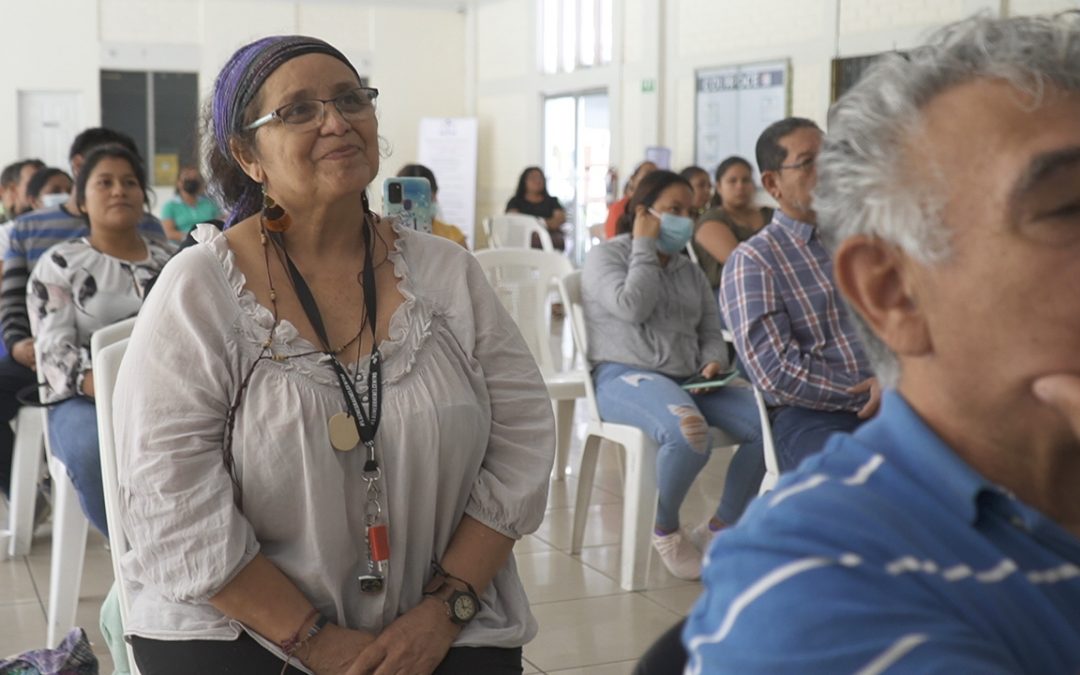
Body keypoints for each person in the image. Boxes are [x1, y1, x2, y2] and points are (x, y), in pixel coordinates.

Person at [114, 35, 555, 675]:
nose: (336, 120)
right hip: (236, 626)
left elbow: (523, 439)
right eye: (298, 110)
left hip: (443, 614)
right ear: (246, 154)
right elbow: (170, 501)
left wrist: (446, 608)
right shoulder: (201, 290)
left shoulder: (447, 274)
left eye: (352, 99)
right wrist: (316, 641)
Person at [685, 13, 1080, 673]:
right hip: (822, 408)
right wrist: (857, 389)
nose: (823, 175)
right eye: (1066, 208)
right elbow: (775, 372)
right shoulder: (814, 589)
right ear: (892, 292)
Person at [582, 169, 765, 580]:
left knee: (769, 421)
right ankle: (664, 527)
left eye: (691, 210)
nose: (686, 219)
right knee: (689, 433)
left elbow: (709, 329)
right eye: (674, 210)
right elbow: (632, 306)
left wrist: (713, 360)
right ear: (643, 212)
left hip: (690, 379)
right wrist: (644, 246)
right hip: (624, 377)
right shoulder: (606, 256)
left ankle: (722, 526)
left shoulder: (688, 270)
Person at [28, 145, 172, 536]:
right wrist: (117, 388)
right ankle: (134, 554)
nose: (119, 191)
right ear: (80, 199)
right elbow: (54, 355)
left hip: (171, 394)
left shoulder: (174, 261)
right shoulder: (60, 264)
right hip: (83, 401)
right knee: (95, 450)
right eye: (104, 182)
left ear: (144, 195)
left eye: (129, 182)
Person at [720, 118, 878, 472]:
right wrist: (864, 391)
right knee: (861, 489)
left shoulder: (862, 241)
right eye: (809, 162)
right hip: (814, 415)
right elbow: (776, 372)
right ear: (773, 183)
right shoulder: (755, 260)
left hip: (894, 399)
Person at [692, 157, 773, 291]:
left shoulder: (770, 214)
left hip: (775, 287)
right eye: (732, 181)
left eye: (746, 180)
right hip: (728, 294)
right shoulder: (711, 220)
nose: (740, 186)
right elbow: (740, 263)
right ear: (718, 187)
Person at [396, 163, 468, 248]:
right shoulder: (387, 233)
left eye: (422, 197)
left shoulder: (453, 235)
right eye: (409, 198)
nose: (416, 205)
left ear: (434, 195)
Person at [505, 166, 567, 250]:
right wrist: (543, 224)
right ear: (524, 181)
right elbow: (514, 221)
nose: (538, 181)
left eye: (540, 178)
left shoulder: (552, 201)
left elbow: (559, 219)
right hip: (521, 241)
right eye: (533, 178)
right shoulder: (515, 201)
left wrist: (535, 226)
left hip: (548, 242)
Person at [160, 166, 221, 240]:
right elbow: (169, 233)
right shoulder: (170, 206)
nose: (191, 180)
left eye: (195, 178)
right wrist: (192, 238)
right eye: (187, 177)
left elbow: (220, 225)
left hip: (209, 243)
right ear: (178, 182)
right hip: (181, 246)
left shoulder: (211, 204)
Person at [603, 160, 657, 239]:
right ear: (633, 178)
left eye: (656, 176)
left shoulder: (655, 208)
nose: (653, 180)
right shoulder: (619, 208)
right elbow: (614, 241)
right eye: (648, 174)